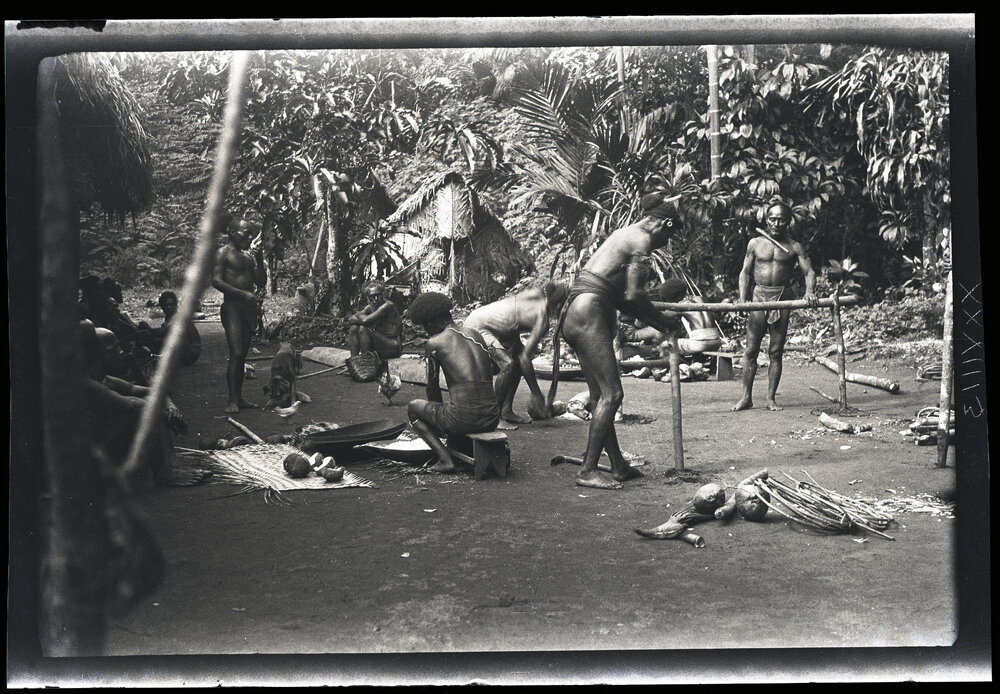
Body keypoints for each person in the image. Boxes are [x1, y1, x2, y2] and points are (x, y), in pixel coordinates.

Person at [557, 191, 684, 490]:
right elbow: (635, 295)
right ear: (665, 225)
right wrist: (664, 322)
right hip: (588, 313)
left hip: (578, 312)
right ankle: (587, 470)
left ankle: (618, 465)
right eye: (668, 238)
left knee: (601, 396)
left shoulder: (621, 235)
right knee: (612, 395)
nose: (665, 245)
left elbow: (624, 299)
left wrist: (659, 322)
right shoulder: (640, 240)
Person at [80, 320, 209, 487]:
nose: (121, 352)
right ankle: (165, 472)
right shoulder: (87, 384)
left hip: (102, 449)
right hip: (89, 459)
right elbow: (133, 404)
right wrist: (165, 414)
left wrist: (170, 406)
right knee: (142, 411)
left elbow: (151, 390)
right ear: (101, 353)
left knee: (150, 405)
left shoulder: (105, 379)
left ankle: (171, 465)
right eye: (115, 349)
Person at [732, 201, 817, 412]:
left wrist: (810, 292)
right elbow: (745, 272)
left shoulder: (794, 246)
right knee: (751, 350)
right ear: (766, 219)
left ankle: (770, 398)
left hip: (782, 298)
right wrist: (743, 298)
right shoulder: (755, 243)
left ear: (787, 222)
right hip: (759, 297)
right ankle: (746, 397)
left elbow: (809, 272)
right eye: (772, 219)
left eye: (781, 220)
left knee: (776, 351)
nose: (776, 223)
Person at [405, 292, 501, 474]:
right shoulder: (476, 335)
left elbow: (432, 388)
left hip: (462, 419)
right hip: (491, 418)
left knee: (413, 408)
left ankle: (445, 459)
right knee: (455, 408)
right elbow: (493, 370)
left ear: (430, 323)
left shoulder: (435, 342)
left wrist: (438, 421)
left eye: (425, 326)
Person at [462, 280, 569, 424]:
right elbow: (525, 358)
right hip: (479, 326)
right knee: (508, 365)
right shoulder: (542, 320)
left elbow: (523, 359)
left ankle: (506, 410)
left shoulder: (536, 294)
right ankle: (493, 417)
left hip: (501, 327)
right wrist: (537, 394)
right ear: (557, 307)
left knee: (518, 363)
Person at [212, 214, 266, 413]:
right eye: (246, 233)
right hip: (233, 308)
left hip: (248, 309)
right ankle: (232, 400)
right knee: (235, 352)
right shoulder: (222, 253)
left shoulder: (248, 256)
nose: (250, 237)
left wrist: (259, 259)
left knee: (242, 355)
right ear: (232, 233)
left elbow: (261, 282)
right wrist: (242, 294)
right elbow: (216, 281)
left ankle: (239, 397)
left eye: (251, 234)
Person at [622, 278, 723, 357]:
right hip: (717, 342)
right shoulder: (700, 298)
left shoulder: (681, 305)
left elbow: (661, 318)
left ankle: (675, 366)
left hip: (700, 344)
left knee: (664, 346)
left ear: (675, 297)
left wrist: (640, 316)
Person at [135, 291, 202, 366]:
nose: (169, 307)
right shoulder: (170, 316)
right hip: (185, 350)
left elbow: (162, 332)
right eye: (166, 305)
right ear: (162, 307)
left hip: (190, 352)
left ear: (176, 305)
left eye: (171, 305)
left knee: (154, 339)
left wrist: (146, 331)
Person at [347, 280, 403, 361]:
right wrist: (360, 317)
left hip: (392, 346)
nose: (376, 299)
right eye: (372, 296)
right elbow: (351, 319)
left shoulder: (387, 305)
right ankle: (354, 361)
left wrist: (359, 315)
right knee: (354, 328)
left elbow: (364, 320)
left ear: (383, 294)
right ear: (368, 297)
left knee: (364, 328)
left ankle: (366, 361)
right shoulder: (370, 307)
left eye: (378, 295)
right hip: (379, 344)